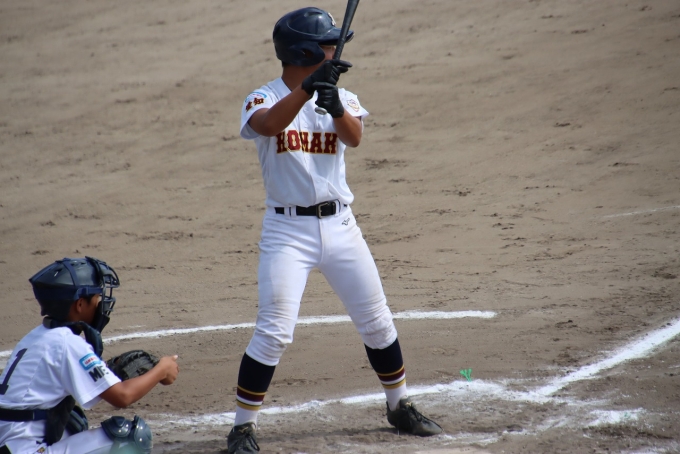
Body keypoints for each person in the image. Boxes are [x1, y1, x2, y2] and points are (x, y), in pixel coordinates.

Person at [228, 7, 442, 453]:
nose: (335, 50)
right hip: (287, 233)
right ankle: (242, 428)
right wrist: (307, 91)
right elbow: (268, 126)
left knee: (377, 321)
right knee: (274, 331)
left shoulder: (340, 94)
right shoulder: (262, 98)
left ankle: (399, 404)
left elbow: (354, 137)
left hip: (342, 227)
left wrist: (335, 104)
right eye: (328, 44)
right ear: (304, 52)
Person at [0, 257, 180, 454]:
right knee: (131, 437)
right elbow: (122, 396)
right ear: (79, 304)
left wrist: (106, 372)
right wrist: (162, 369)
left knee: (73, 421)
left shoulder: (37, 336)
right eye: (96, 296)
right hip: (24, 448)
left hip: (9, 442)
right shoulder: (67, 343)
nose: (100, 302)